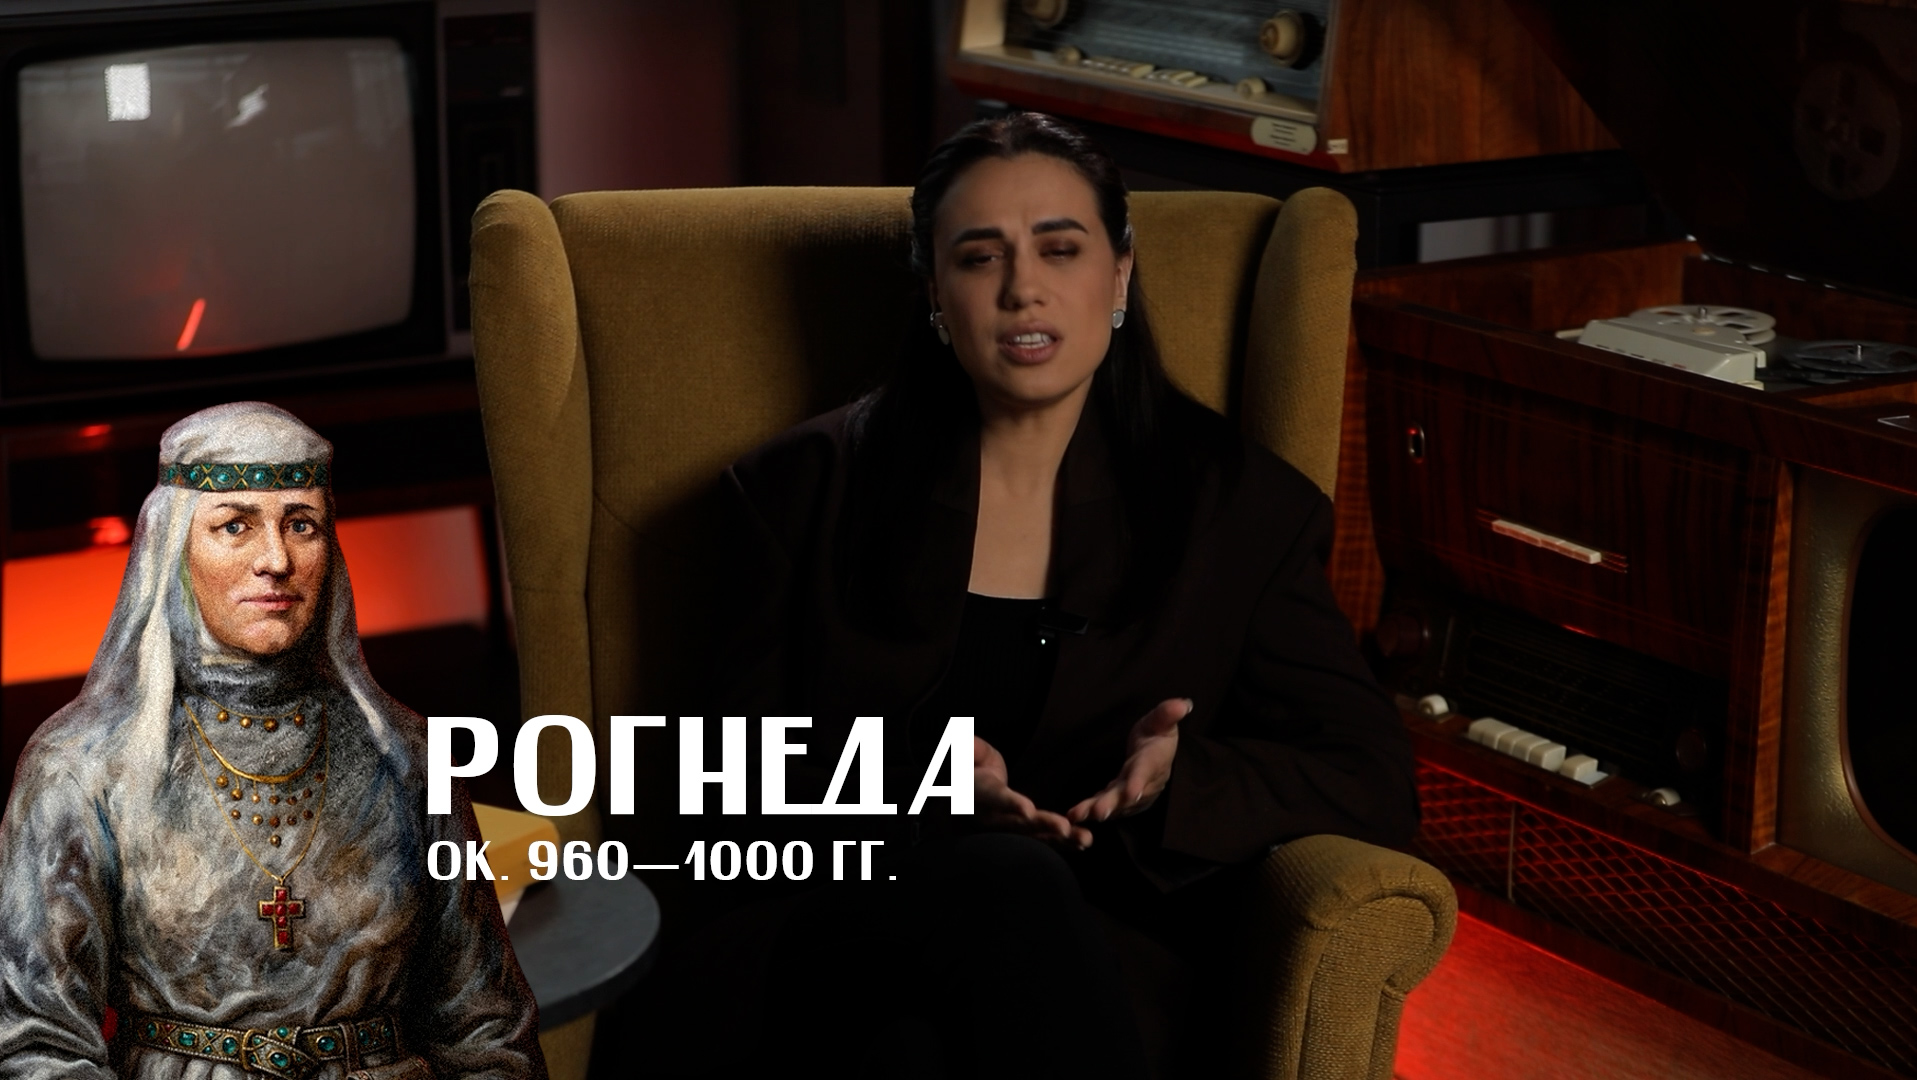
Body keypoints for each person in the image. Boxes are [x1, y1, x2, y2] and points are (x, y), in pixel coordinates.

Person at [646, 112, 1417, 1078]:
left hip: (1084, 961)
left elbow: (1370, 777)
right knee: (991, 896)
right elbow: (708, 785)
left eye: (1061, 248)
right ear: (934, 291)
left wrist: (1182, 779)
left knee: (916, 1055)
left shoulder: (1241, 511)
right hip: (822, 935)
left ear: (1120, 273)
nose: (1023, 289)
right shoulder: (797, 490)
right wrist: (919, 786)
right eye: (980, 258)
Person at [0, 402, 546, 1080]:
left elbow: (486, 1027)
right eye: (235, 525)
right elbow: (38, 1047)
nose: (277, 560)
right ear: (174, 549)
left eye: (301, 524)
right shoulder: (80, 768)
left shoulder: (408, 757)